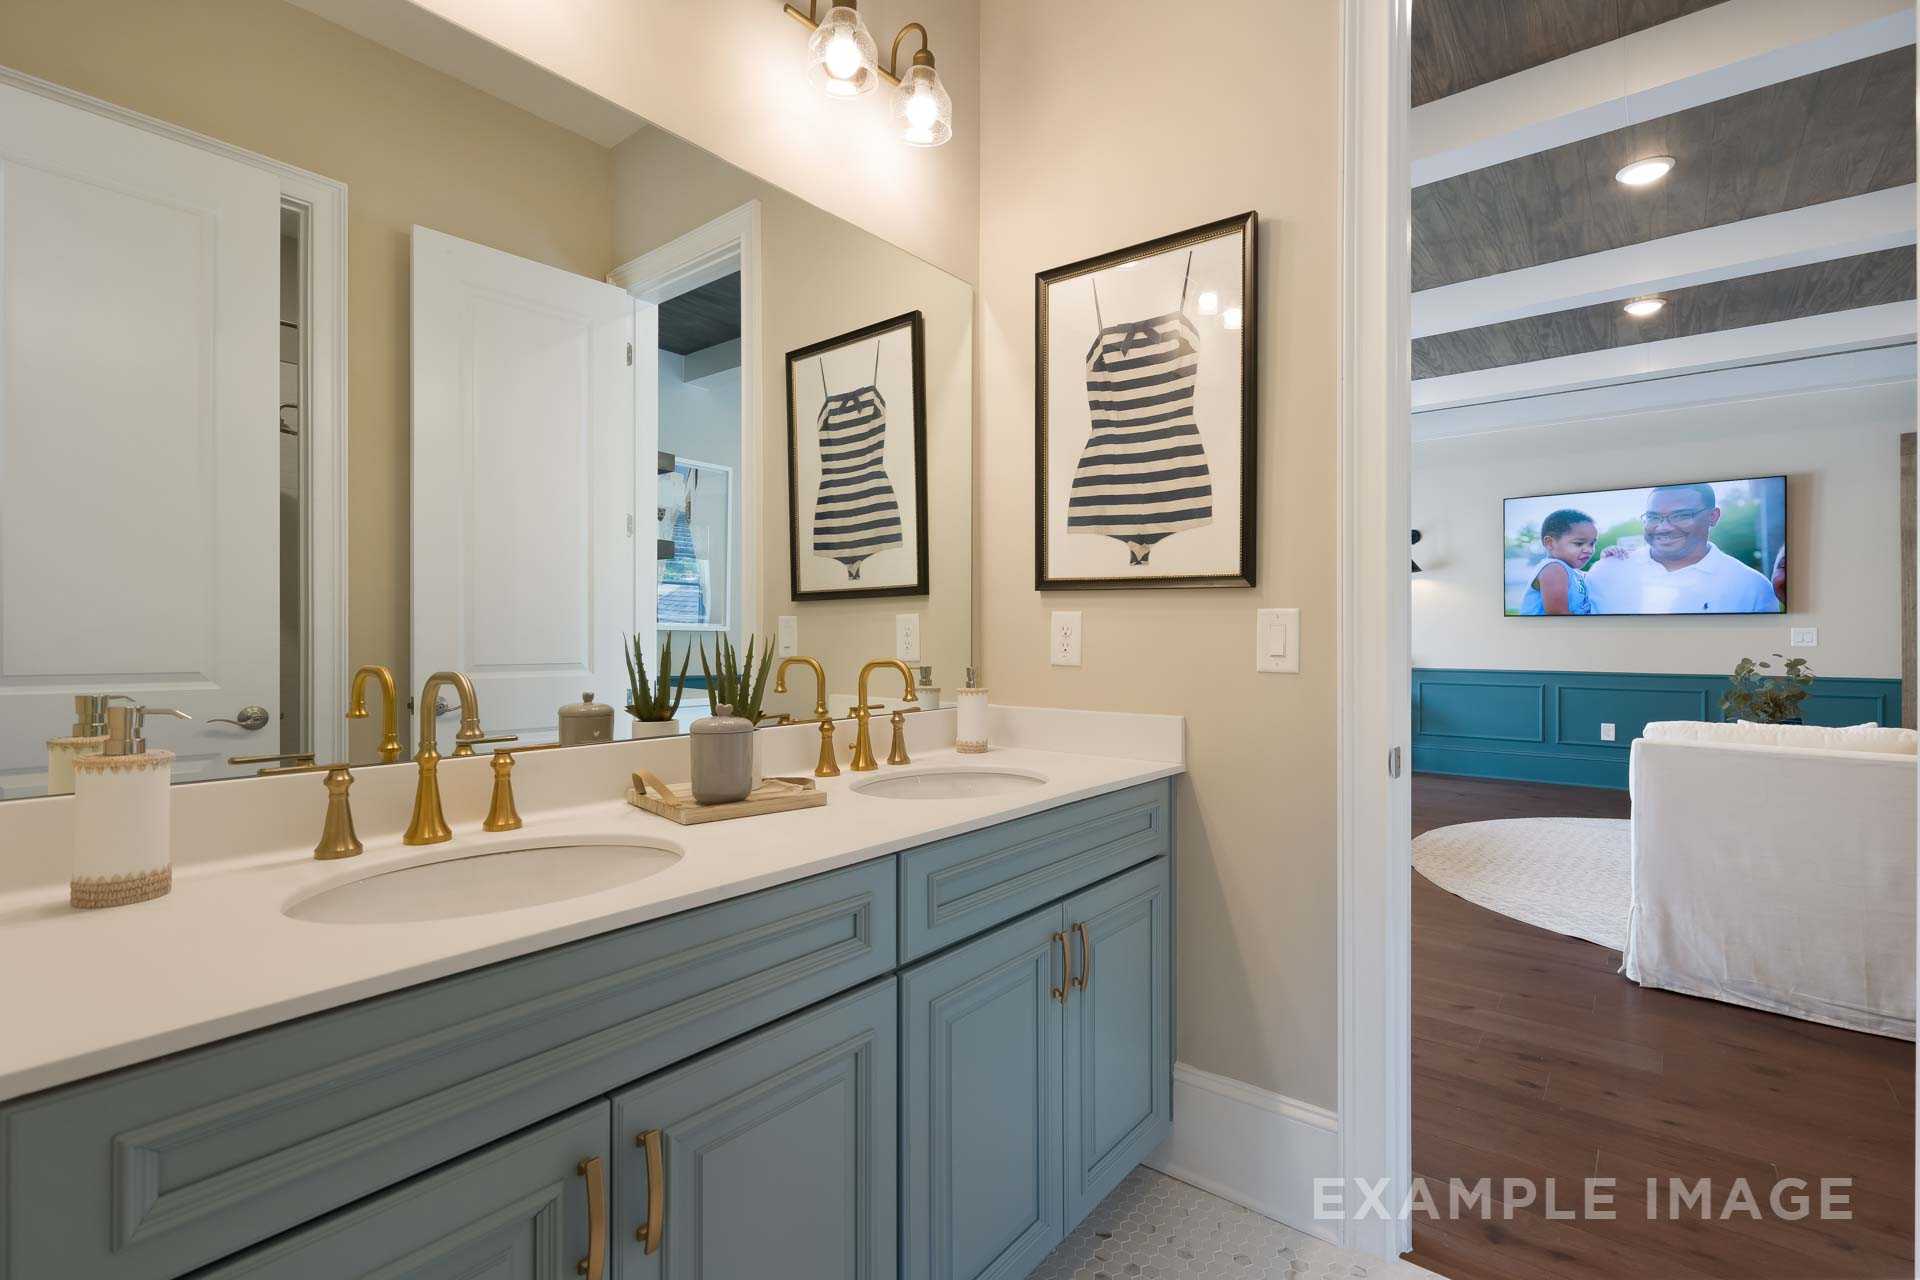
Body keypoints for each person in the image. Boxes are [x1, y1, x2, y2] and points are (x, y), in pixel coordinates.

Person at [1585, 483, 1781, 614]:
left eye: (1681, 516)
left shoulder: (1752, 586)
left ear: (1713, 517)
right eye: (1653, 517)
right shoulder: (1606, 571)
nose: (1664, 527)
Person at [1518, 508, 1597, 615]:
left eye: (1592, 544)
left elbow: (1596, 579)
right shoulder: (1554, 568)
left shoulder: (1575, 573)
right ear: (1550, 543)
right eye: (1579, 543)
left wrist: (1608, 558)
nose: (1589, 550)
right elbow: (1558, 614)